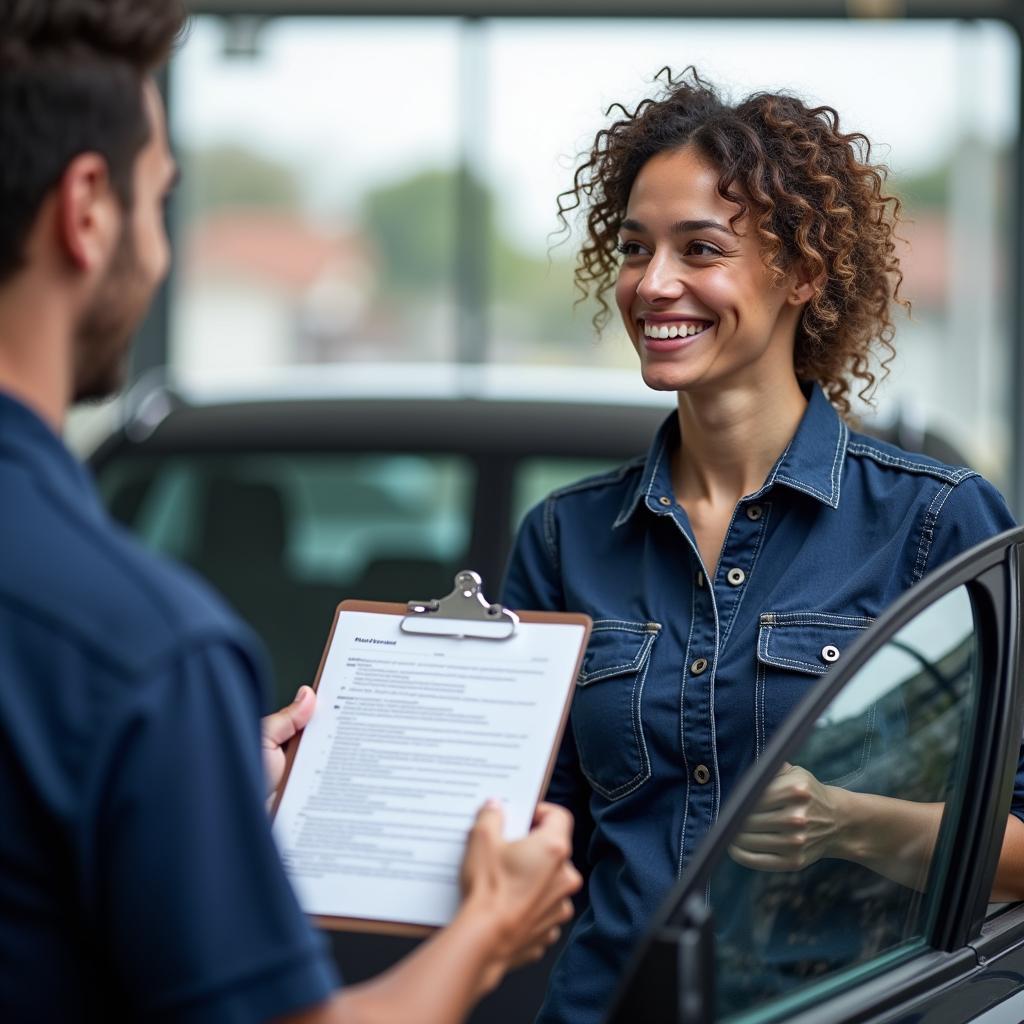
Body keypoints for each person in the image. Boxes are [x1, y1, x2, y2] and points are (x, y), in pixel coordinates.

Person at [0, 3, 580, 1022]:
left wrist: (191, 786)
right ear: (87, 209)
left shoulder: (137, 675)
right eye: (159, 202)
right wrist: (493, 926)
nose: (164, 250)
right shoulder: (145, 652)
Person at [502, 67, 1024, 1024]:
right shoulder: (563, 538)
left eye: (701, 249)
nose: (654, 284)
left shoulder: (936, 526)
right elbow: (530, 833)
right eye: (634, 248)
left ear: (805, 273)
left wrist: (851, 821)